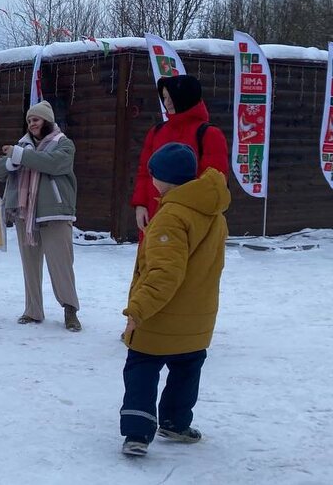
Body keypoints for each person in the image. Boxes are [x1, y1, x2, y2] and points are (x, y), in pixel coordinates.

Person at [119, 143, 229, 457]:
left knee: (141, 366)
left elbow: (165, 274)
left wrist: (137, 310)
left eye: (153, 173)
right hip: (198, 316)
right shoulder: (212, 213)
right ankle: (176, 422)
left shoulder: (171, 217)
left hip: (162, 317)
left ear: (163, 180)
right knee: (187, 367)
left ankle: (138, 433)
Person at [0, 100, 81, 332]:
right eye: (29, 120)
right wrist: (11, 160)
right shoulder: (21, 146)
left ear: (48, 121)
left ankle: (70, 309)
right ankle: (33, 310)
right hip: (25, 214)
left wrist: (19, 155)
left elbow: (52, 164)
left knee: (61, 264)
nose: (32, 124)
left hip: (55, 213)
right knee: (30, 264)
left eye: (36, 119)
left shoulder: (64, 144)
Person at [133, 74, 229, 238]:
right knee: (151, 260)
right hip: (153, 211)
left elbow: (213, 184)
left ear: (185, 97)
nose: (167, 103)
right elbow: (144, 172)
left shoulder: (210, 134)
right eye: (164, 98)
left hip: (189, 217)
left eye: (172, 98)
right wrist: (140, 204)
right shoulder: (157, 131)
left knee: (176, 260)